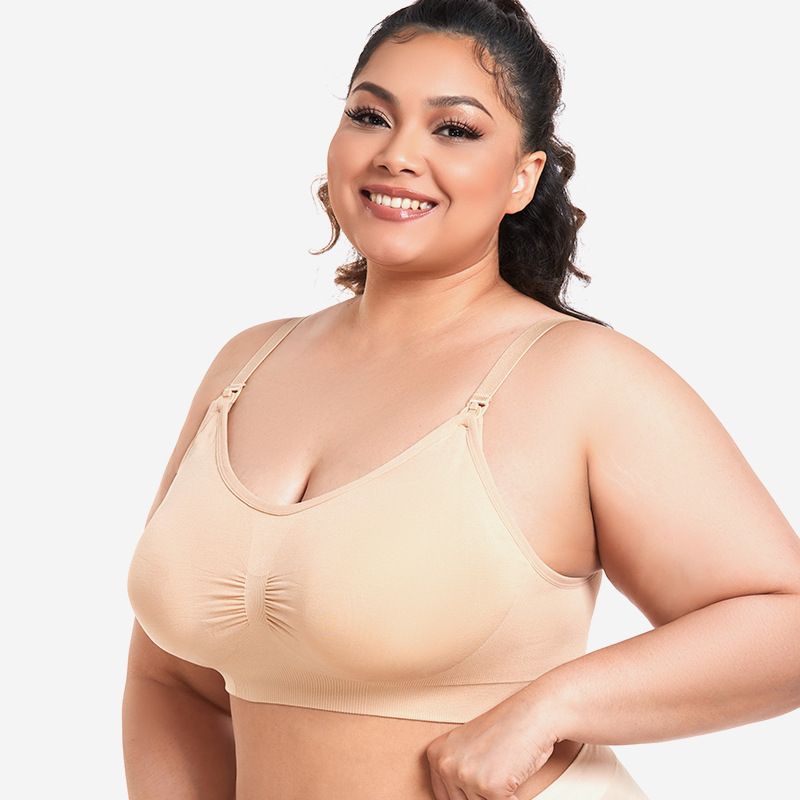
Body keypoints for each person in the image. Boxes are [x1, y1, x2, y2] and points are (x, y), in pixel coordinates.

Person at [123, 0, 800, 798]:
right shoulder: (246, 364)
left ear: (522, 177)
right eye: (370, 115)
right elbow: (176, 683)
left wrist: (552, 706)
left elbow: (784, 620)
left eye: (454, 129)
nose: (398, 154)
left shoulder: (582, 379)